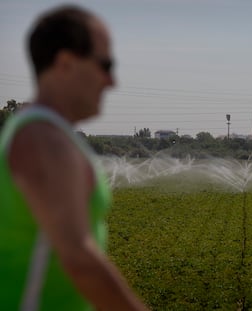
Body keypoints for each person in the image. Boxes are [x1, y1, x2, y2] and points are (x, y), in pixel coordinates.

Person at [0, 5, 150, 311]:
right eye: (105, 65)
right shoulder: (44, 140)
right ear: (66, 63)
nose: (112, 82)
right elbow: (80, 260)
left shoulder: (41, 131)